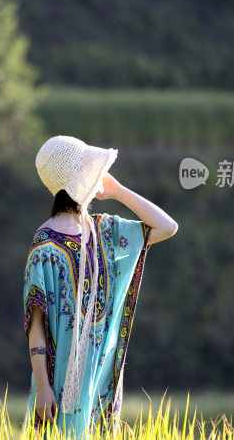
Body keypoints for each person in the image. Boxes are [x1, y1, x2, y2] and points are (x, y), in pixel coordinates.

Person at [23, 135, 178, 437]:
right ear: (79, 177)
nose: (100, 174)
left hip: (101, 378)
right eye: (92, 168)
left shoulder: (105, 231)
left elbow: (167, 227)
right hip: (58, 382)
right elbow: (35, 324)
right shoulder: (45, 247)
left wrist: (118, 192)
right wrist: (42, 387)